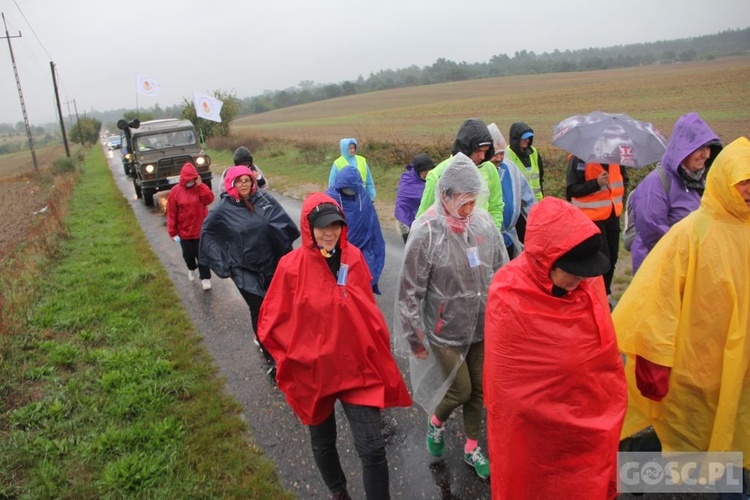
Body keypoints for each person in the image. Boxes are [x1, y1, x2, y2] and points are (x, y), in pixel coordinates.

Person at [613, 137, 750, 497]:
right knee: (693, 436)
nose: (748, 190)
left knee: (732, 430)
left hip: (741, 365)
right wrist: (652, 359)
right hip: (697, 367)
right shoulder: (692, 233)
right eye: (742, 182)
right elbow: (655, 299)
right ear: (724, 181)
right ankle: (638, 467)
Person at [258, 192, 412, 500]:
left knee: (373, 448)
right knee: (323, 441)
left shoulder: (353, 257)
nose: (330, 233)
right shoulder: (290, 268)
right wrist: (290, 357)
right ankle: (338, 491)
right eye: (322, 226)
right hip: (315, 372)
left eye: (336, 225)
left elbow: (366, 310)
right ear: (308, 228)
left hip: (356, 367)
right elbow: (270, 322)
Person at [484, 196, 626, 499]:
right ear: (546, 260)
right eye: (572, 273)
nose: (580, 279)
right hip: (535, 435)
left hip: (589, 420)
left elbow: (604, 356)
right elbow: (509, 392)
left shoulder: (589, 282)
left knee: (588, 483)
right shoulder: (509, 295)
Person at [394, 153, 508, 479]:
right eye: (463, 202)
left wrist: (504, 316)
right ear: (445, 196)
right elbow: (409, 292)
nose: (470, 210)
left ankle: (472, 447)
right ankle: (436, 422)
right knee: (462, 390)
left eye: (474, 201)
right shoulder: (426, 233)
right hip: (444, 329)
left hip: (480, 323)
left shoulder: (482, 224)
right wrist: (414, 335)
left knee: (481, 390)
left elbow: (500, 271)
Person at [199, 166, 299, 375]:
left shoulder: (263, 200)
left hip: (270, 264)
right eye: (239, 180)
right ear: (231, 184)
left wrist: (287, 254)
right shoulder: (222, 210)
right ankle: (271, 356)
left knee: (278, 308)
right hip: (244, 269)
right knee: (260, 309)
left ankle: (286, 347)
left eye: (247, 180)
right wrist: (225, 264)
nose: (244, 184)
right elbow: (207, 234)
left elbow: (280, 224)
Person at [629, 112, 721, 273]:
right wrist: (692, 253)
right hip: (662, 271)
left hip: (693, 268)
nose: (705, 154)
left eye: (708, 148)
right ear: (683, 148)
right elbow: (653, 232)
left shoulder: (701, 180)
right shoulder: (656, 183)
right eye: (699, 148)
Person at [415, 118, 505, 232]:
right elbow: (423, 218)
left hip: (481, 240)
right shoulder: (438, 175)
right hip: (448, 242)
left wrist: (491, 235)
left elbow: (496, 207)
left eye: (486, 151)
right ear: (466, 148)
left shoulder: (489, 169)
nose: (482, 156)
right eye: (478, 151)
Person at [566, 154, 629, 298]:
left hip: (613, 216)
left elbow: (624, 180)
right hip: (591, 219)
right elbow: (571, 191)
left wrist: (621, 201)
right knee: (600, 261)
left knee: (612, 259)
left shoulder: (616, 159)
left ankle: (604, 295)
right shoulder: (578, 159)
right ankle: (596, 297)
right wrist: (596, 183)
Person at [326, 165, 385, 294]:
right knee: (342, 283)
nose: (350, 190)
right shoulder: (331, 198)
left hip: (363, 248)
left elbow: (372, 221)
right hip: (341, 252)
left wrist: (376, 246)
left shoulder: (362, 196)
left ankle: (361, 303)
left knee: (365, 280)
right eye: (347, 187)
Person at [487, 123, 536, 258]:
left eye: (502, 153)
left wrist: (537, 222)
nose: (499, 158)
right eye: (495, 154)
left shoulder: (510, 168)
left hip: (510, 236)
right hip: (488, 241)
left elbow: (528, 197)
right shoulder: (481, 171)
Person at [166, 162, 215, 291]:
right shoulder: (175, 192)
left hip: (200, 230)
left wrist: (201, 185)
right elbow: (171, 213)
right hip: (184, 232)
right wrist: (172, 232)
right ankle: (191, 268)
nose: (190, 182)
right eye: (188, 180)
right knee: (188, 255)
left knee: (202, 256)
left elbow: (209, 199)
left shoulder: (200, 188)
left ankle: (205, 278)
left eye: (193, 179)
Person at [394, 153, 435, 243]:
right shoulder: (407, 180)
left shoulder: (434, 179)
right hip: (408, 223)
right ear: (418, 170)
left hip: (428, 222)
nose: (427, 173)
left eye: (430, 170)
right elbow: (402, 202)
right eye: (424, 171)